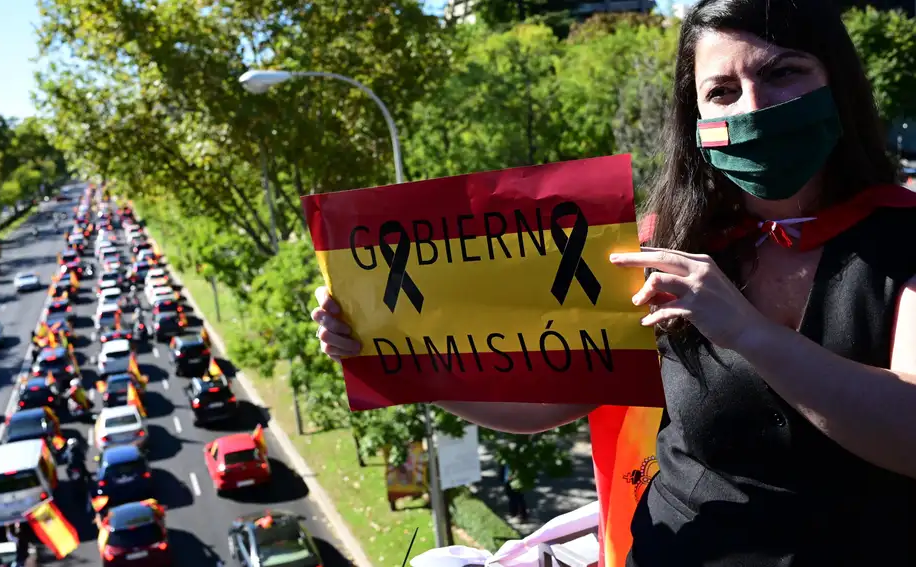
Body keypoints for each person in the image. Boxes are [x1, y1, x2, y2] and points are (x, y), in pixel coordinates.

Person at [310, 0, 916, 563]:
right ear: (696, 118)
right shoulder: (667, 245)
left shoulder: (902, 234)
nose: (754, 107)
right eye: (723, 91)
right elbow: (549, 400)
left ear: (838, 82)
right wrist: (392, 354)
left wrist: (749, 333)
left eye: (784, 72)